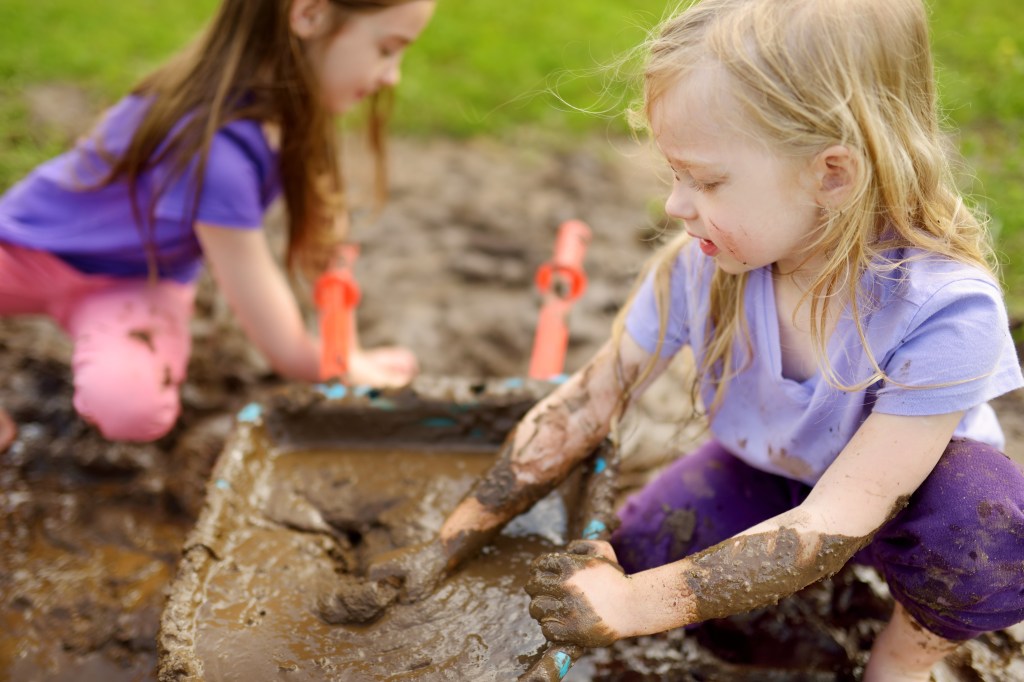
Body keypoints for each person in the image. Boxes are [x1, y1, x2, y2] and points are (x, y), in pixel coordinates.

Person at [365, 0, 1024, 679]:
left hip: (906, 501)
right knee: (646, 549)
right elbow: (586, 403)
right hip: (771, 473)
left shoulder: (945, 310)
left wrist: (632, 605)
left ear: (832, 174)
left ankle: (903, 657)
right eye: (675, 175)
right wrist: (448, 544)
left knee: (983, 533)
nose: (676, 205)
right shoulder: (704, 265)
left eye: (706, 180)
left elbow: (841, 515)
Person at [0, 0, 435, 452]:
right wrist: (339, 370)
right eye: (387, 49)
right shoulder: (211, 149)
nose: (392, 75)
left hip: (134, 282)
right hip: (21, 253)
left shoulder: (286, 113)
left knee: (130, 406)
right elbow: (277, 339)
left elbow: (329, 257)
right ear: (309, 15)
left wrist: (347, 357)